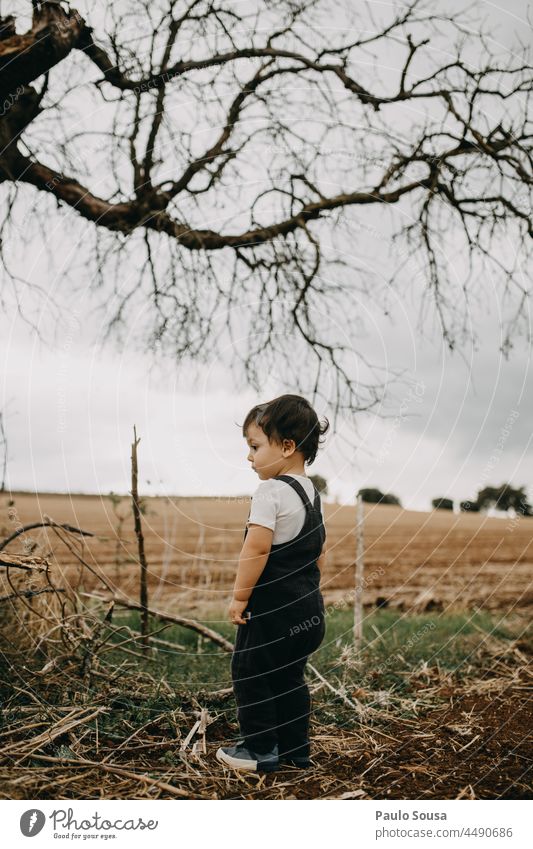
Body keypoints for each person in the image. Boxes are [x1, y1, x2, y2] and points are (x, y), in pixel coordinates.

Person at [216, 394, 330, 773]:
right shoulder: (312, 494)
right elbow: (319, 553)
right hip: (308, 613)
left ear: (286, 447)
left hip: (270, 614)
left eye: (254, 446)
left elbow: (256, 550)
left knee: (251, 674)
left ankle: (260, 749)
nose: (249, 457)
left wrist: (238, 598)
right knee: (288, 678)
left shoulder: (270, 491)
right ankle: (295, 751)